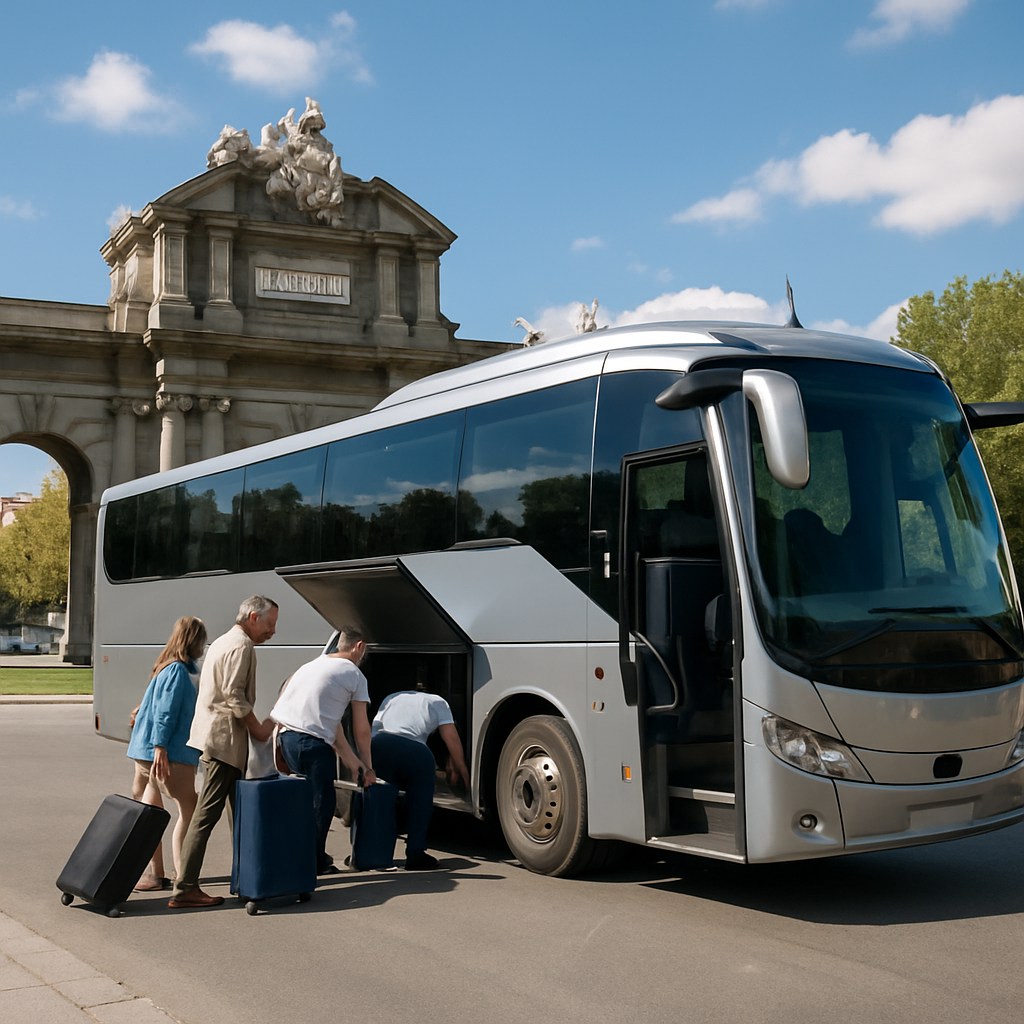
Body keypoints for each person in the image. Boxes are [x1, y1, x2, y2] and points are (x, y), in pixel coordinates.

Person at [168, 596, 278, 909]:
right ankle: (186, 886)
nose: (272, 632)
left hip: (215, 738)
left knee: (234, 814)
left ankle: (245, 880)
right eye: (270, 624)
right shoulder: (242, 646)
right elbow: (235, 696)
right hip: (225, 742)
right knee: (208, 815)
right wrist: (258, 729)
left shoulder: (222, 641)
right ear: (254, 617)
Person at [270, 627, 376, 875]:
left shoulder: (312, 665)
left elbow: (331, 723)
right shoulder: (355, 674)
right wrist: (369, 767)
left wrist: (353, 764)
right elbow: (361, 729)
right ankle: (313, 861)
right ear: (359, 647)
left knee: (302, 800)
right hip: (312, 745)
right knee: (322, 803)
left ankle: (305, 853)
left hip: (286, 739)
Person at [127, 616, 207, 891]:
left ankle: (156, 874)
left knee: (151, 816)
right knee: (190, 812)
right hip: (169, 753)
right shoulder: (178, 672)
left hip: (146, 752)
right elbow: (167, 713)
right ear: (194, 640)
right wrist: (160, 746)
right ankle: (184, 879)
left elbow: (155, 708)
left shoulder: (164, 667)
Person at [370, 687, 470, 870]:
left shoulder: (392, 696)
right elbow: (450, 736)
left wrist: (367, 761)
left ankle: (370, 855)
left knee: (379, 800)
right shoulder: (438, 701)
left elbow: (374, 729)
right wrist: (461, 767)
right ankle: (415, 853)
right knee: (420, 800)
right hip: (414, 750)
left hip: (379, 745)